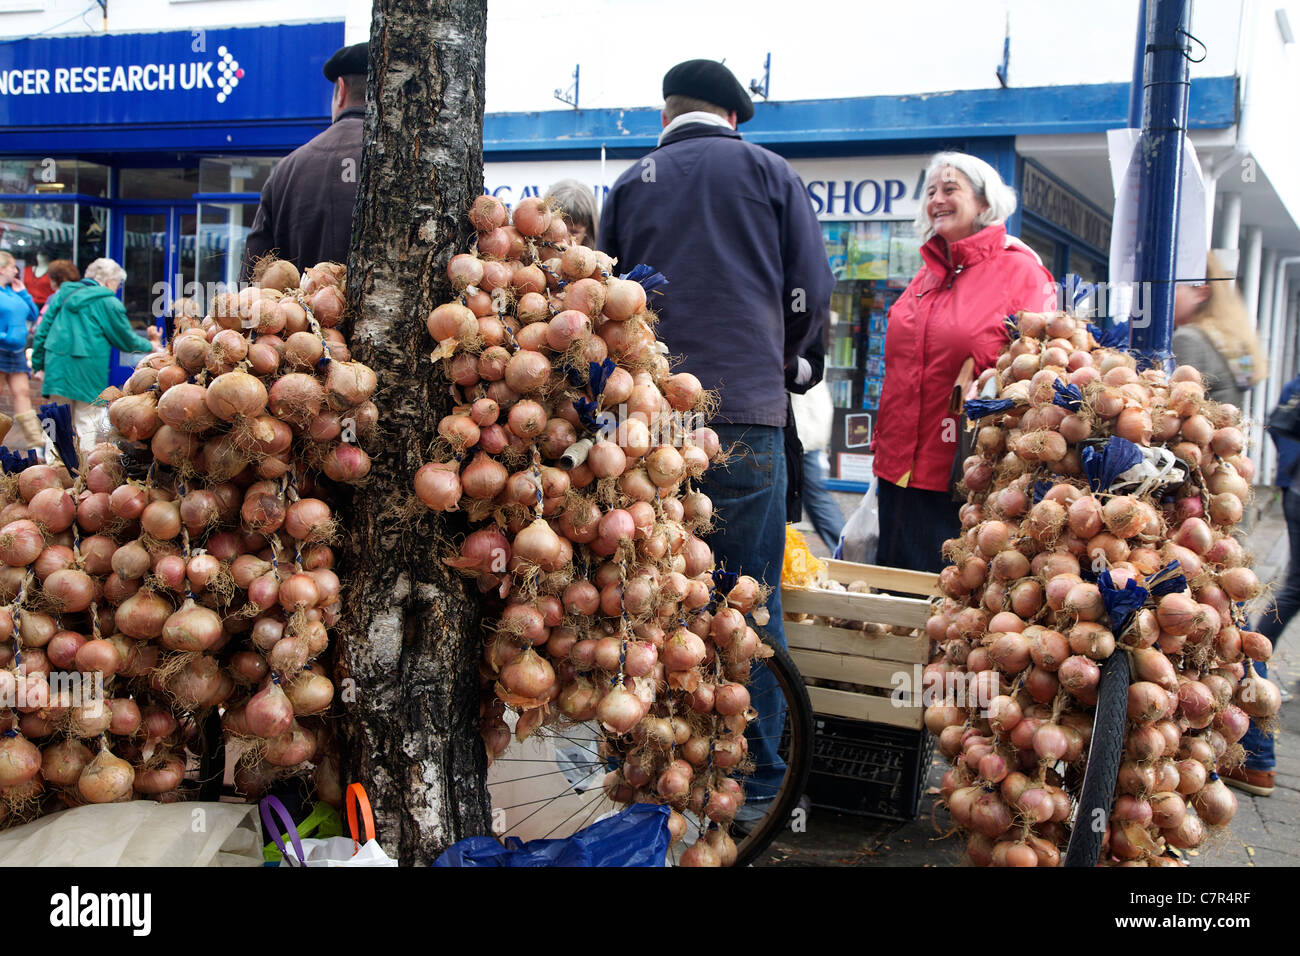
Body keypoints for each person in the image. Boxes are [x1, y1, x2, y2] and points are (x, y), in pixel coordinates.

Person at [599, 59, 834, 813]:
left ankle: (656, 765)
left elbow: (610, 301)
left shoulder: (631, 183)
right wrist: (789, 360)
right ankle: (756, 779)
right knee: (744, 598)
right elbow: (810, 290)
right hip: (745, 414)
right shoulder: (769, 172)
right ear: (733, 115)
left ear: (666, 113)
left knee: (650, 597)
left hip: (646, 424)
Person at [871, 152, 1055, 573]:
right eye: (931, 191)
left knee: (944, 604)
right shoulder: (927, 274)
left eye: (950, 189)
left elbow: (1036, 375)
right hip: (897, 469)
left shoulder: (1021, 272)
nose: (937, 199)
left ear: (985, 203)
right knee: (887, 603)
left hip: (963, 473)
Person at [240, 42, 367, 280]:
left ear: (341, 90)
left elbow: (252, 282)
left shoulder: (286, 171)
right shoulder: (417, 169)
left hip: (302, 316)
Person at [32, 258, 159, 455]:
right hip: (88, 368)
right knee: (87, 420)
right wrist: (151, 345)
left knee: (56, 419)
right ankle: (81, 472)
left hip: (57, 363)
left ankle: (51, 467)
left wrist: (38, 364)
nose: (116, 289)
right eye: (117, 284)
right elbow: (125, 339)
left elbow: (42, 332)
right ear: (109, 281)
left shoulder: (62, 295)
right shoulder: (108, 302)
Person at [1170, 253, 1267, 407]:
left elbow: (1178, 406)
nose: (1165, 294)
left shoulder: (1188, 339)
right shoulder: (1230, 339)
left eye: (1176, 287)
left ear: (1202, 293)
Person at [789, 333, 844, 551]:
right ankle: (844, 552)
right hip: (805, 431)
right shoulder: (809, 336)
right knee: (815, 498)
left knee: (815, 498)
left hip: (802, 433)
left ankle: (845, 553)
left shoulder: (799, 343)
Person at [0, 250, 40, 448]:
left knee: (22, 392)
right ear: (1, 269)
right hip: (0, 348)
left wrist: (23, 291)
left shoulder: (13, 292)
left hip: (16, 351)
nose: (16, 270)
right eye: (12, 267)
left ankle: (34, 441)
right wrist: (4, 336)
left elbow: (33, 315)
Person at [544, 179, 598, 247]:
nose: (564, 242)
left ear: (588, 232)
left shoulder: (598, 256)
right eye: (556, 230)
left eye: (574, 232)